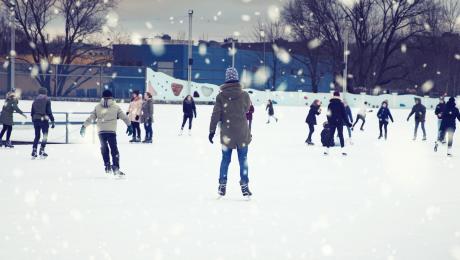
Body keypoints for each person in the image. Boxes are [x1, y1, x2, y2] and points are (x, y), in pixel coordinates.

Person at [209, 67, 252, 198]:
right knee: (243, 160)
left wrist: (211, 130)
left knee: (225, 160)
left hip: (227, 134)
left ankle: (222, 185)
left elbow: (215, 114)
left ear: (226, 79)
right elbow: (247, 108)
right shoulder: (244, 95)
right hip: (242, 133)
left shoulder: (221, 96)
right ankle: (244, 186)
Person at [80, 90, 133, 175]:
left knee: (104, 149)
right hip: (111, 132)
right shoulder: (115, 107)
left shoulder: (97, 107)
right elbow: (124, 117)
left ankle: (107, 165)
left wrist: (84, 126)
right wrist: (129, 126)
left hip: (101, 132)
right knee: (114, 150)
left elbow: (91, 118)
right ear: (111, 97)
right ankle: (115, 167)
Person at [325, 91, 352, 156]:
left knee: (330, 135)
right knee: (341, 135)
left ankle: (326, 151)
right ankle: (343, 151)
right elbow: (344, 115)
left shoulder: (330, 104)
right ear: (339, 96)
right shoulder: (341, 104)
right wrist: (348, 123)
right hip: (339, 122)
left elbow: (328, 114)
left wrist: (329, 121)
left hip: (332, 122)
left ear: (333, 96)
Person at [31, 87, 55, 159]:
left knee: (37, 136)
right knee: (45, 135)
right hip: (44, 119)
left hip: (36, 119)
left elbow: (32, 112)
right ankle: (42, 150)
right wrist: (52, 121)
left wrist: (34, 120)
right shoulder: (47, 99)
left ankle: (34, 150)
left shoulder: (35, 100)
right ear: (45, 92)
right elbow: (49, 111)